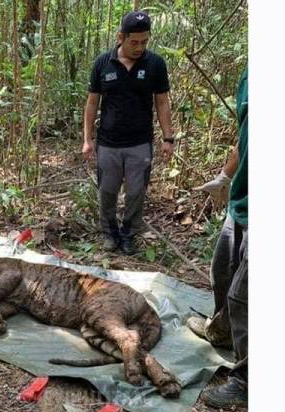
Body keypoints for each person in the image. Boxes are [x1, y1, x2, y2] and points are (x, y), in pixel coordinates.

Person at [82, 11, 175, 255]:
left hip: (140, 142)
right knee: (107, 191)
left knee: (136, 192)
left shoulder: (155, 64)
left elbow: (162, 102)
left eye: (144, 42)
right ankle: (109, 233)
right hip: (108, 142)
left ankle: (128, 234)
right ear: (120, 37)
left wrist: (168, 137)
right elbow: (92, 102)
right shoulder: (103, 63)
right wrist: (87, 139)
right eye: (134, 42)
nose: (139, 47)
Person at [187, 68, 248, 408]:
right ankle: (222, 332)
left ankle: (245, 380)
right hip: (241, 202)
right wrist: (225, 177)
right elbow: (245, 136)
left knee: (246, 296)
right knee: (222, 270)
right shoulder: (248, 76)